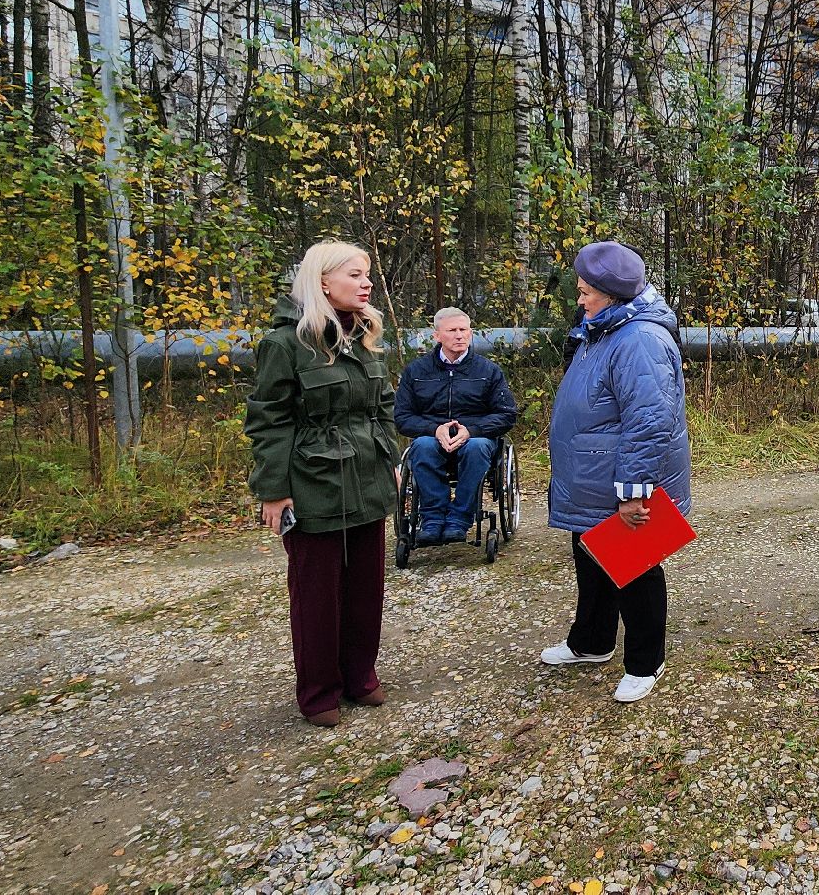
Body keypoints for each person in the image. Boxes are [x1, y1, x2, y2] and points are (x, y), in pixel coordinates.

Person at [244, 241, 401, 727]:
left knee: (366, 587)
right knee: (316, 594)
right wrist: (272, 489)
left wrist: (391, 458)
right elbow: (269, 422)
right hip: (313, 482)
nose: (366, 283)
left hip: (368, 478)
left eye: (367, 275)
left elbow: (383, 407)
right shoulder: (285, 344)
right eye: (355, 275)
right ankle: (319, 692)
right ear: (323, 281)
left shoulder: (364, 336)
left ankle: (360, 676)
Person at [541, 240, 691, 703]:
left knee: (635, 568)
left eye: (586, 291)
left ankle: (646, 662)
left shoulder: (639, 339)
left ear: (612, 293)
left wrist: (633, 492)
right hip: (592, 480)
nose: (579, 298)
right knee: (590, 559)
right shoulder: (603, 329)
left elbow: (650, 421)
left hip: (624, 483)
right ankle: (591, 642)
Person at [393, 308, 519, 544]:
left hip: (476, 439)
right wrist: (434, 429)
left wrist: (471, 430)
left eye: (464, 330)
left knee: (476, 447)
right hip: (432, 438)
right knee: (422, 445)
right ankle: (432, 518)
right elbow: (402, 417)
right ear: (437, 335)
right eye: (452, 330)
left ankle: (460, 518)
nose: (459, 335)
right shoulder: (416, 372)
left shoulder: (488, 371)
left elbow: (506, 414)